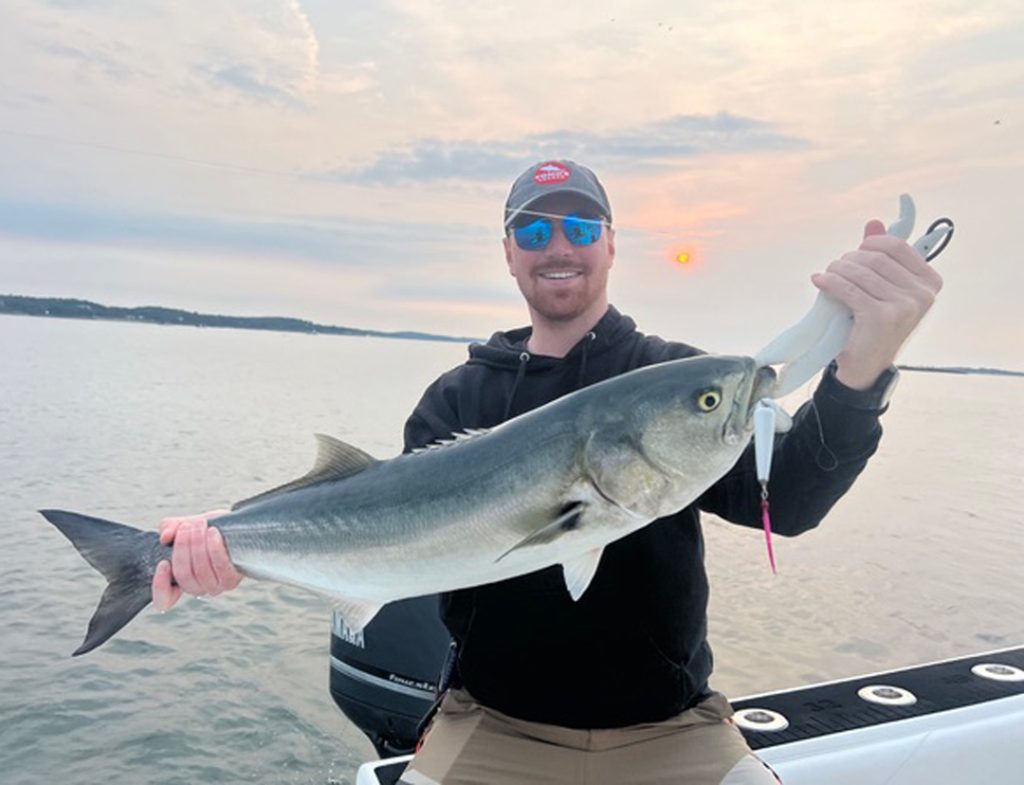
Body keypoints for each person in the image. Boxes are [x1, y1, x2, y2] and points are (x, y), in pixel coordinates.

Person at [153, 160, 942, 784]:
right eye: (533, 230)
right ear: (508, 253)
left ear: (608, 242)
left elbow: (793, 498)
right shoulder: (458, 399)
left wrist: (859, 376)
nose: (556, 245)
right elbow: (373, 530)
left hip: (670, 728)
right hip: (494, 726)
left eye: (578, 225)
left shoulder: (671, 376)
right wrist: (229, 549)